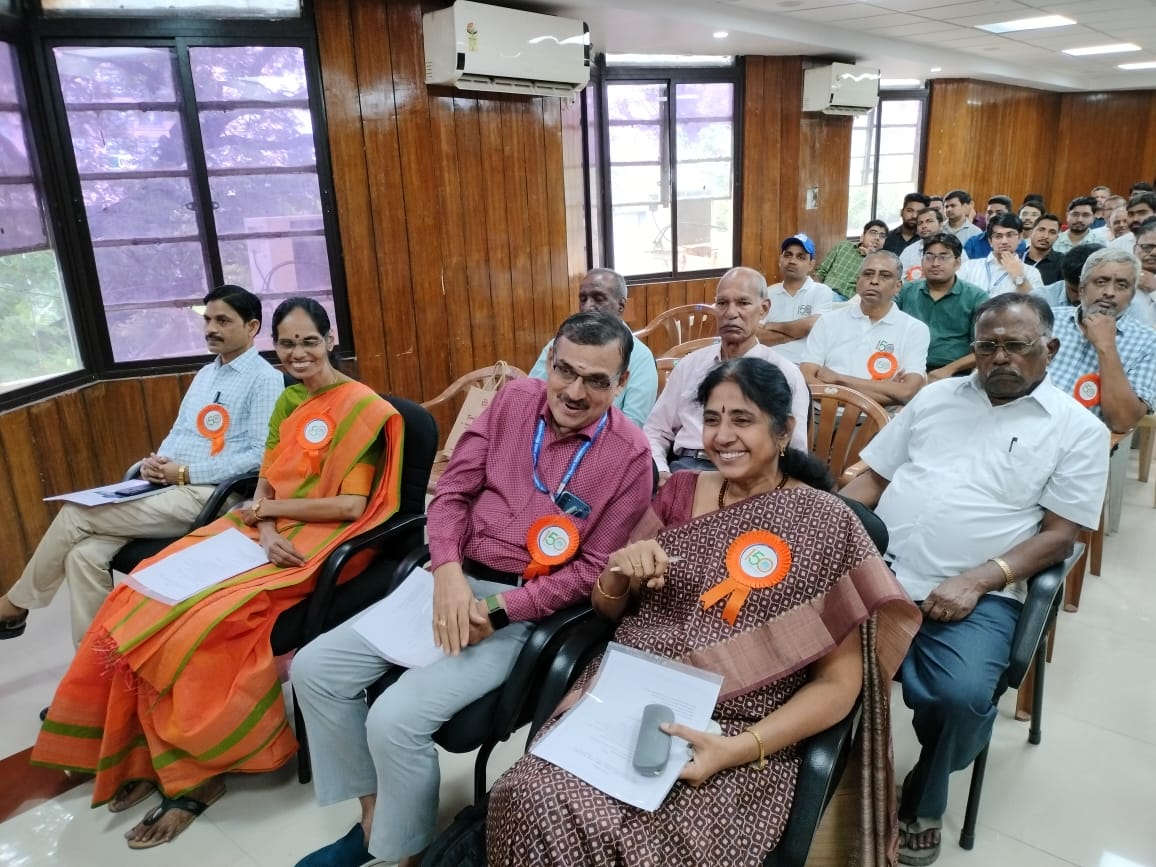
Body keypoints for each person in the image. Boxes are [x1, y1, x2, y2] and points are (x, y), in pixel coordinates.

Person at [486, 357, 921, 867]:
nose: (723, 436)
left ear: (784, 431)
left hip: (740, 728)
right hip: (627, 698)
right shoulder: (677, 492)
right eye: (712, 419)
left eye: (742, 419)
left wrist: (737, 750)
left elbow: (838, 685)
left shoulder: (825, 522)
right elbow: (609, 611)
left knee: (648, 846)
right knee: (525, 797)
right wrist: (617, 575)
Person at [31, 297, 406, 850]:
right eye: (286, 343)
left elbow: (350, 507)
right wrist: (267, 525)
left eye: (308, 341)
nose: (297, 353)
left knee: (198, 624)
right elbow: (268, 481)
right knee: (139, 594)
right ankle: (138, 747)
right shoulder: (289, 402)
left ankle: (200, 775)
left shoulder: (364, 409)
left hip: (327, 544)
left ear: (330, 341)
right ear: (273, 345)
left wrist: (271, 520)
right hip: (267, 532)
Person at [291, 311, 654, 867]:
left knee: (394, 719)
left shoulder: (629, 459)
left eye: (597, 381)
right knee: (313, 669)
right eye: (565, 371)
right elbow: (453, 494)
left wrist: (503, 609)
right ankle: (375, 820)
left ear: (623, 383)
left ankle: (403, 855)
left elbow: (592, 570)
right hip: (449, 577)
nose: (575, 392)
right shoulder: (511, 402)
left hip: (521, 607)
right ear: (549, 361)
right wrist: (446, 574)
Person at [842, 293, 1110, 866]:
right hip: (877, 571)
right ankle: (813, 770)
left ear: (1050, 349)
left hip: (974, 591)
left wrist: (980, 579)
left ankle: (923, 798)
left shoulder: (1077, 430)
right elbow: (874, 479)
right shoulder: (936, 398)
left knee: (960, 698)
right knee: (790, 645)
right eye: (987, 346)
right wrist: (828, 524)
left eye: (1017, 345)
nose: (1000, 358)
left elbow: (1061, 536)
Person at [0, 284, 285, 646]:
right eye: (208, 319)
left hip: (211, 495)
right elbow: (180, 434)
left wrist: (183, 473)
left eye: (223, 321)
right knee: (83, 556)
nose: (211, 328)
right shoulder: (205, 374)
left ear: (252, 327)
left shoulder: (265, 380)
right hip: (166, 487)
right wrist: (154, 462)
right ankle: (95, 675)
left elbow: (259, 457)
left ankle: (14, 605)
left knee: (74, 515)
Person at [645, 267, 809, 482]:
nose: (731, 313)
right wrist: (661, 473)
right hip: (687, 470)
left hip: (752, 477)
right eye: (722, 303)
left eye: (743, 303)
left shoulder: (785, 373)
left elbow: (795, 451)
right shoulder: (690, 365)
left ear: (764, 309)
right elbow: (656, 430)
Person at [800, 251, 930, 410]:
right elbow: (807, 377)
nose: (874, 281)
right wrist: (887, 391)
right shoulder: (828, 321)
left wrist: (838, 379)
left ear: (898, 286)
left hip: (878, 421)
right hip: (823, 415)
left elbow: (907, 392)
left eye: (884, 276)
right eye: (868, 274)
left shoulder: (914, 329)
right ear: (857, 282)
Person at [529, 268, 658, 426]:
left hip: (604, 445)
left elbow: (633, 423)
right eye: (583, 299)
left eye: (599, 298)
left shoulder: (640, 357)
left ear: (621, 305)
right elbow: (532, 397)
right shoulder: (559, 343)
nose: (588, 306)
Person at [1048, 248, 1156, 432]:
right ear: (1082, 289)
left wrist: (1106, 346)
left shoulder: (1148, 343)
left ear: (1131, 296)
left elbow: (1122, 422)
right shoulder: (1048, 320)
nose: (1109, 292)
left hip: (1083, 446)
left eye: (1122, 285)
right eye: (1101, 282)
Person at [896, 232, 988, 381]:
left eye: (943, 257)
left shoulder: (976, 297)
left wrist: (949, 369)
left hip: (954, 374)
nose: (935, 263)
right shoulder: (905, 291)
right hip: (904, 370)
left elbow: (984, 348)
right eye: (929, 256)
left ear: (957, 263)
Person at [758, 233, 838, 362]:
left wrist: (773, 326)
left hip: (803, 365)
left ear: (811, 265)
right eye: (788, 255)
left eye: (800, 257)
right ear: (780, 260)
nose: (792, 261)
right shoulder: (767, 293)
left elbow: (813, 325)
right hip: (766, 365)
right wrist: (797, 333)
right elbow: (756, 335)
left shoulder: (821, 292)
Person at [958, 213, 1043, 295]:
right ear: (990, 241)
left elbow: (1036, 305)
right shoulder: (969, 267)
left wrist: (1019, 277)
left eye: (1009, 235)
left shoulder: (1032, 272)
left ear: (1020, 238)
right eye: (998, 236)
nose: (1004, 241)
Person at [815, 219, 888, 298]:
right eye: (873, 233)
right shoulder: (843, 246)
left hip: (850, 301)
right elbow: (822, 271)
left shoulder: (883, 263)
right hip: (826, 292)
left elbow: (873, 289)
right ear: (863, 236)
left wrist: (871, 258)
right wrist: (815, 290)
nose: (877, 238)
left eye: (882, 235)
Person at [1033, 243, 1104, 308]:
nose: (1080, 298)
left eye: (1086, 291)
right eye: (1075, 291)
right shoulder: (1041, 299)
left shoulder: (1112, 301)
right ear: (1065, 280)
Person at [898, 207, 948, 282]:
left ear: (940, 225)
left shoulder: (953, 247)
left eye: (929, 221)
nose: (924, 226)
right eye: (920, 223)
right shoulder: (909, 251)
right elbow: (899, 278)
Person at [1021, 212, 1063, 284]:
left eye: (1052, 232)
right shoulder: (1017, 256)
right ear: (1031, 232)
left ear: (1057, 237)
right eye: (1041, 230)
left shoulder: (1063, 262)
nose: (1045, 236)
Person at [1130, 217, 1156, 329]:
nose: (1154, 252)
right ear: (1135, 248)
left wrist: (1154, 290)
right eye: (1147, 247)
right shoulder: (1119, 277)